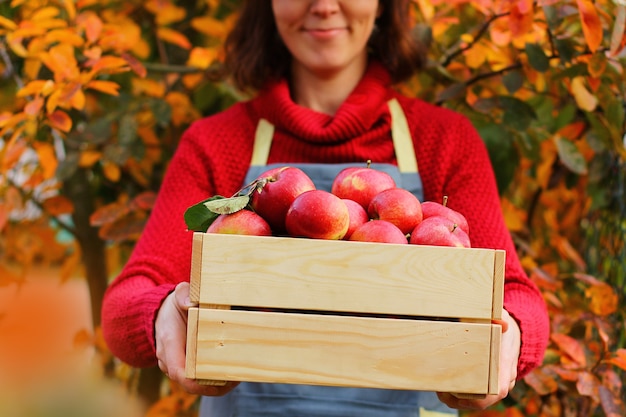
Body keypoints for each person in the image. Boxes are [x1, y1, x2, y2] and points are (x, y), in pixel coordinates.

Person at [101, 0, 550, 415]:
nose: (323, 5)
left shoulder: (443, 141)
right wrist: (161, 313)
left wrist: (508, 335)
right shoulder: (218, 144)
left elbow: (515, 296)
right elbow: (127, 299)